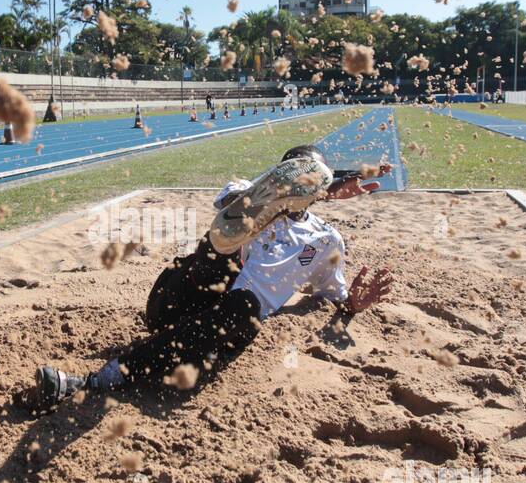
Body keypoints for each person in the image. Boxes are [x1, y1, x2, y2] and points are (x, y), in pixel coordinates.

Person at [25, 145, 394, 410]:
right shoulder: (243, 195)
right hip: (175, 299)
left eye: (308, 178)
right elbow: (233, 208)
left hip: (226, 325)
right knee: (221, 249)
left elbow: (336, 293)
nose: (301, 183)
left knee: (245, 305)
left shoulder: (326, 239)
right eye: (294, 174)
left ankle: (98, 380)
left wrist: (354, 304)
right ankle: (199, 302)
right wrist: (301, 194)